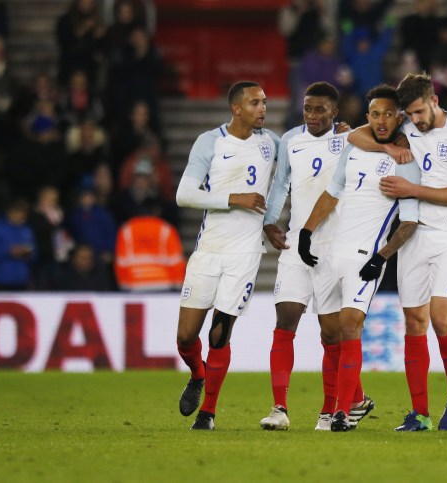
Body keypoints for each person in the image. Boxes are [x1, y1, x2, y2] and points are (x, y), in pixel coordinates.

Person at [347, 73, 447, 431]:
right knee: (414, 323)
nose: (416, 120)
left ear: (434, 100)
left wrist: (411, 188)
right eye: (409, 113)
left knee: (441, 320)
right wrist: (387, 147)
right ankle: (419, 413)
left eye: (420, 111)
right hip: (413, 239)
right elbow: (355, 135)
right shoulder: (405, 125)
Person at [299, 84, 420, 431]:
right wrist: (307, 232)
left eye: (388, 114)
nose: (382, 120)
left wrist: (381, 258)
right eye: (375, 114)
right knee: (332, 333)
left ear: (399, 117)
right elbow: (333, 192)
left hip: (366, 255)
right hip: (333, 250)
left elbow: (410, 221)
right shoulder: (353, 149)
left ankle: (340, 413)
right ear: (367, 117)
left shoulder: (405, 160)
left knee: (351, 324)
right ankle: (356, 401)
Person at [258, 82, 373, 432]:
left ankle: (330, 410)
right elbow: (280, 185)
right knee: (285, 322)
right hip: (296, 244)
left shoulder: (350, 140)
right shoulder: (291, 140)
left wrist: (354, 132)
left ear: (335, 112)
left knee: (331, 334)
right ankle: (279, 408)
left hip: (334, 248)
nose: (313, 115)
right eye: (308, 108)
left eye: (321, 109)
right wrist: (270, 221)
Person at [174, 81, 279, 431]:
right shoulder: (210, 141)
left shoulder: (272, 143)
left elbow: (305, 150)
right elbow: (184, 194)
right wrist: (233, 198)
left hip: (245, 254)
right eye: (255, 103)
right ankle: (197, 373)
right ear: (236, 108)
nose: (262, 108)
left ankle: (208, 413)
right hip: (209, 251)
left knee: (220, 333)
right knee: (186, 338)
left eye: (264, 102)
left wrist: (340, 132)